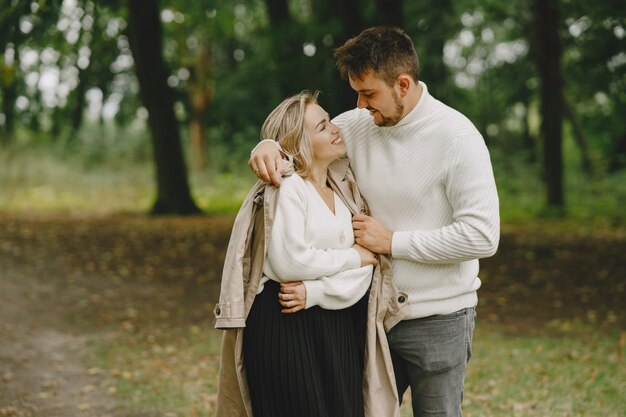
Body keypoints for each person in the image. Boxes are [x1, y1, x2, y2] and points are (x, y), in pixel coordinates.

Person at [249, 26, 500, 417]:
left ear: (402, 84)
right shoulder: (359, 123)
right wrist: (265, 145)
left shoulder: (458, 137)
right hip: (367, 316)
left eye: (369, 93)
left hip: (438, 318)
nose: (360, 104)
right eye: (356, 93)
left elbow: (482, 237)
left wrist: (392, 242)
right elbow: (298, 141)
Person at [215, 91, 397, 417]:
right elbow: (290, 263)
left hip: (337, 324)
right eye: (323, 126)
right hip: (285, 321)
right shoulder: (288, 188)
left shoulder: (344, 193)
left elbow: (366, 272)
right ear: (300, 142)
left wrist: (314, 290)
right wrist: (351, 257)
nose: (335, 129)